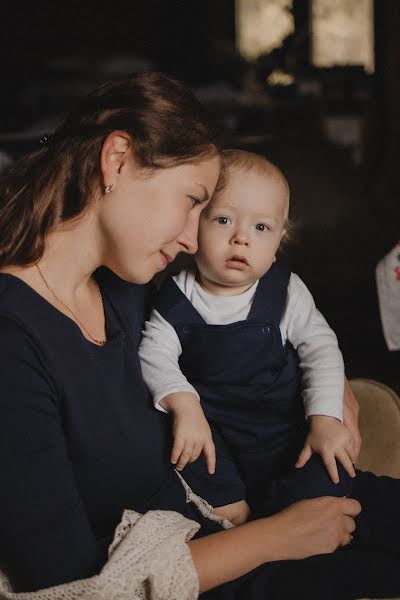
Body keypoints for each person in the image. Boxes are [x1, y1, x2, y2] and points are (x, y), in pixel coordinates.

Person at [0, 72, 399, 600]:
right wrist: (273, 538)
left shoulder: (124, 284)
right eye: (192, 200)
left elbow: (242, 336)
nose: (193, 238)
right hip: (200, 572)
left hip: (237, 519)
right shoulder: (13, 341)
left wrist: (330, 390)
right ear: (116, 160)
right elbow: (65, 581)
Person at [139, 149, 356, 517]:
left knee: (328, 484)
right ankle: (238, 516)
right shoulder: (175, 298)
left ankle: (288, 513)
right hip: (212, 431)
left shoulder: (285, 291)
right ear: (195, 224)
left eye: (261, 227)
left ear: (279, 242)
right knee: (200, 474)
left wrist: (325, 417)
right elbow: (153, 355)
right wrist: (183, 403)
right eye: (223, 220)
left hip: (285, 429)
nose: (241, 238)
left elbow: (321, 350)